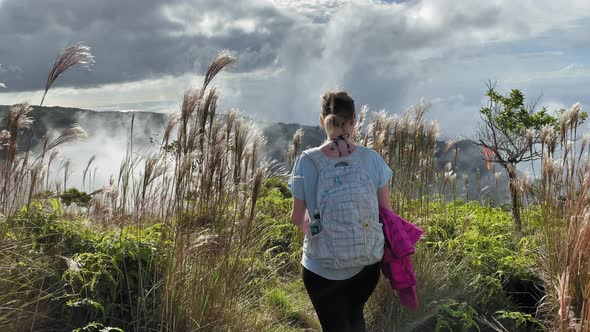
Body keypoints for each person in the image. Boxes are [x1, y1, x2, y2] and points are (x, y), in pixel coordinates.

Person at [288, 90, 394, 331]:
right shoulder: (372, 159)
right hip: (366, 265)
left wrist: (318, 227)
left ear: (322, 119)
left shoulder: (307, 161)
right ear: (354, 119)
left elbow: (297, 217)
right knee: (354, 317)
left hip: (322, 267)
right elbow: (386, 213)